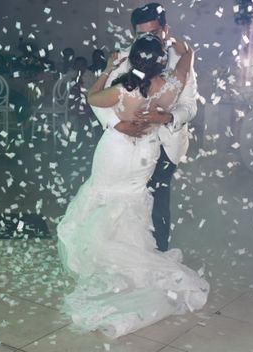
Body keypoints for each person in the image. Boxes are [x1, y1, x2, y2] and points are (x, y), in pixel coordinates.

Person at [57, 33, 208, 337]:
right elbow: (184, 67)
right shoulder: (168, 88)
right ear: (160, 63)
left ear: (134, 58)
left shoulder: (120, 90)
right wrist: (184, 49)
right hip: (146, 154)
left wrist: (107, 67)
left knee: (101, 196)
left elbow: (90, 96)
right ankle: (132, 262)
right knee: (132, 204)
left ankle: (101, 261)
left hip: (117, 152)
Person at [92, 3, 198, 252]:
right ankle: (121, 251)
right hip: (126, 145)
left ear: (165, 30)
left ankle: (157, 253)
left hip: (165, 144)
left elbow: (189, 106)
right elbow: (101, 101)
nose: (148, 39)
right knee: (120, 199)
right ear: (134, 34)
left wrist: (166, 118)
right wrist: (118, 124)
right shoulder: (125, 56)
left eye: (154, 32)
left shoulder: (179, 58)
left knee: (158, 200)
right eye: (142, 35)